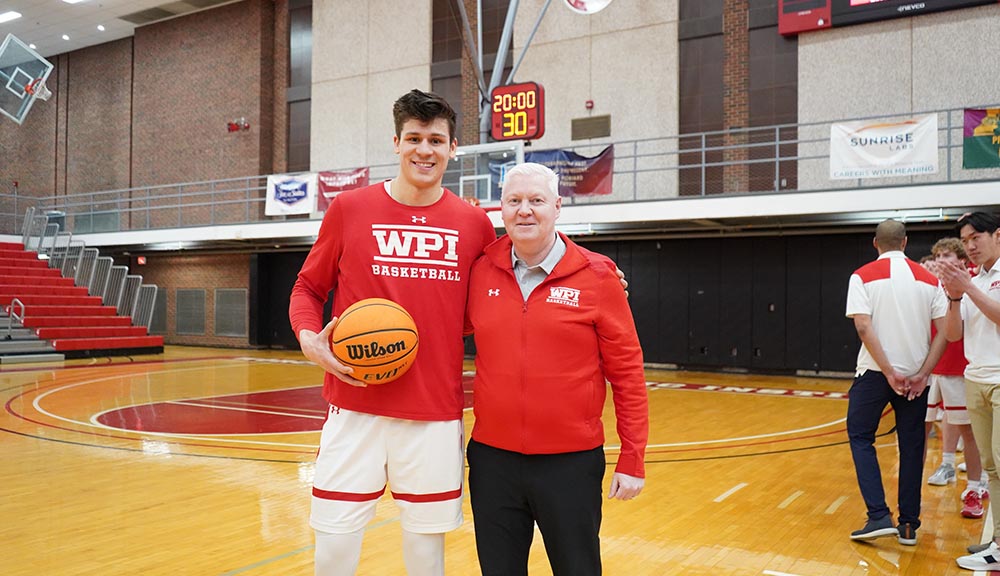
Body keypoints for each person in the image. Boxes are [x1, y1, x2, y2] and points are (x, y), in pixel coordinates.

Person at [288, 89, 497, 576]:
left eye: (437, 140)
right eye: (415, 138)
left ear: (453, 148)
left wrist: (594, 268)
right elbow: (307, 286)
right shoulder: (350, 208)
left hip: (433, 414)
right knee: (334, 548)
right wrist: (309, 338)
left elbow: (517, 272)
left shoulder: (473, 224)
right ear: (397, 144)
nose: (426, 150)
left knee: (426, 554)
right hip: (354, 407)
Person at [464, 162, 649, 576]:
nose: (524, 210)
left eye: (536, 200)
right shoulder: (480, 271)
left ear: (558, 207)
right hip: (493, 462)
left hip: (570, 464)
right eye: (514, 201)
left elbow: (628, 374)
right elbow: (438, 325)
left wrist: (633, 458)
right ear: (501, 209)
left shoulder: (598, 276)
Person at [845, 219, 947, 547]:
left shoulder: (861, 276)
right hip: (917, 379)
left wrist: (888, 371)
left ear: (876, 243)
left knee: (861, 437)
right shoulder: (930, 279)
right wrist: (923, 373)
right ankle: (908, 526)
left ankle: (877, 515)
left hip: (875, 374)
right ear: (905, 243)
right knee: (912, 446)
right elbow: (945, 331)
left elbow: (863, 327)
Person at [937, 212, 1000, 571]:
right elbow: (953, 335)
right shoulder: (973, 280)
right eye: (965, 240)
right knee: (990, 467)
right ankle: (997, 543)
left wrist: (970, 288)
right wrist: (955, 297)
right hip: (975, 377)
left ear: (998, 235)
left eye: (976, 237)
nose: (970, 245)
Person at [923, 238, 987, 519]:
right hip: (929, 367)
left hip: (960, 366)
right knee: (920, 428)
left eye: (946, 254)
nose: (940, 260)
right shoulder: (929, 285)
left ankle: (976, 484)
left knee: (968, 431)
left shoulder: (974, 280)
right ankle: (942, 467)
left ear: (962, 260)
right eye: (937, 255)